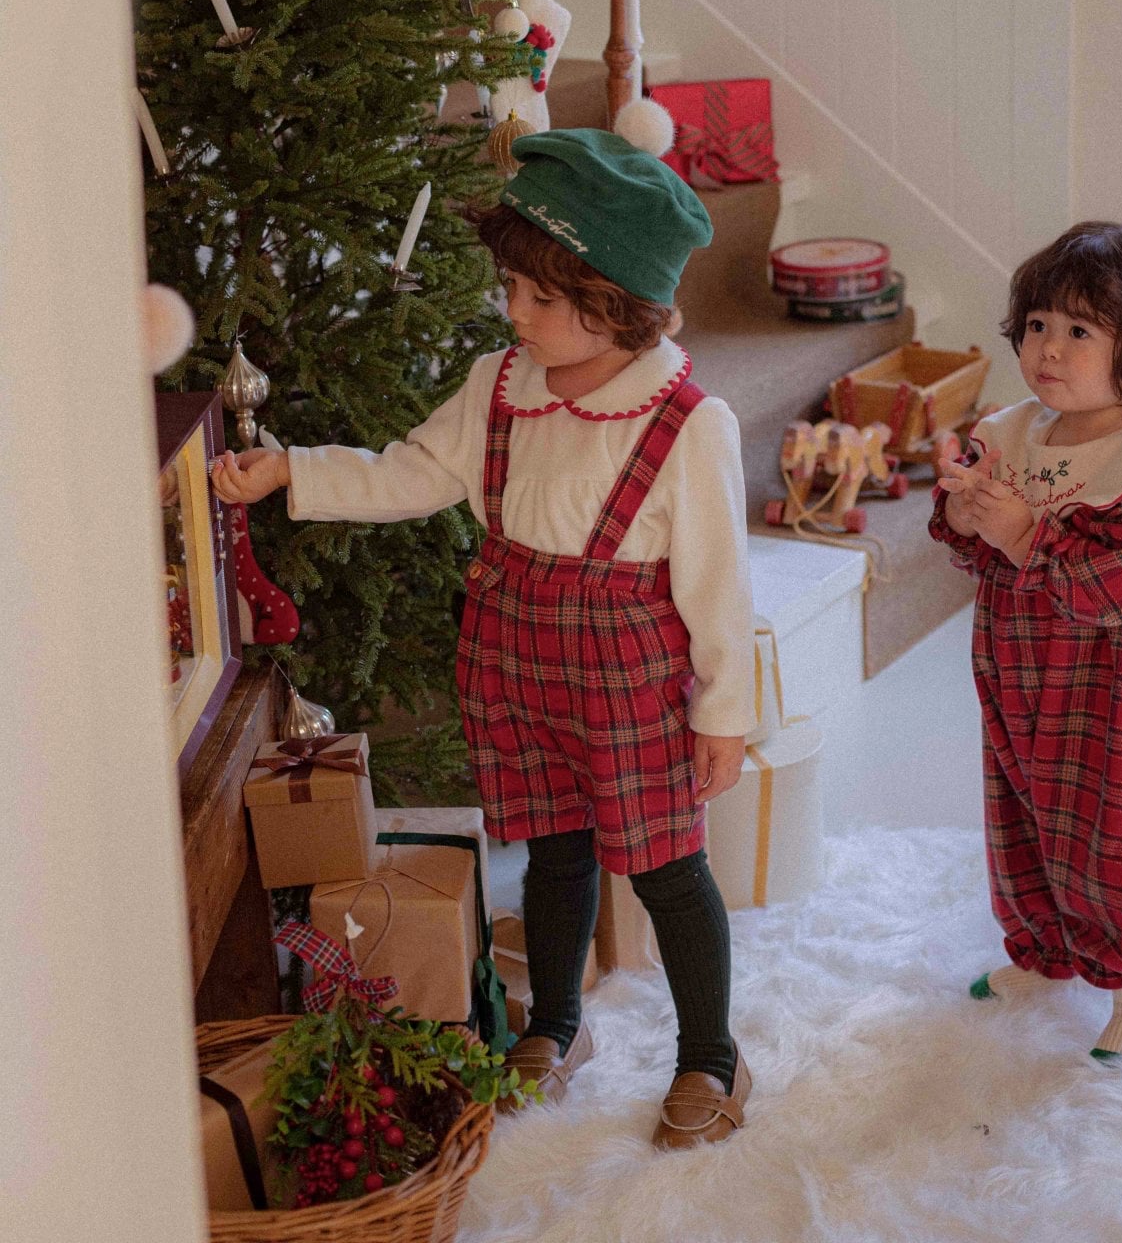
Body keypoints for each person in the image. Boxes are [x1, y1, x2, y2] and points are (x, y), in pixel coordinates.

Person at [211, 108, 756, 1148]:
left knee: (664, 866)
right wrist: (292, 470)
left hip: (630, 674)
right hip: (513, 656)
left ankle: (710, 1055)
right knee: (554, 852)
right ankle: (554, 1025)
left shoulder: (687, 423)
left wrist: (722, 713)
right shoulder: (496, 387)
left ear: (616, 304)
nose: (512, 311)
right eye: (510, 286)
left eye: (539, 297)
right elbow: (411, 473)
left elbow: (717, 584)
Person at [929, 221, 1122, 1060]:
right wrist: (965, 514)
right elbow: (966, 538)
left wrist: (1024, 534)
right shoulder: (1012, 430)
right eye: (1037, 325)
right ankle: (1046, 951)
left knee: (1120, 827)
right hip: (1016, 664)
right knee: (1022, 808)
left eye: (1080, 330)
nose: (1049, 349)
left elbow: (1114, 587)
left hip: (1119, 685)